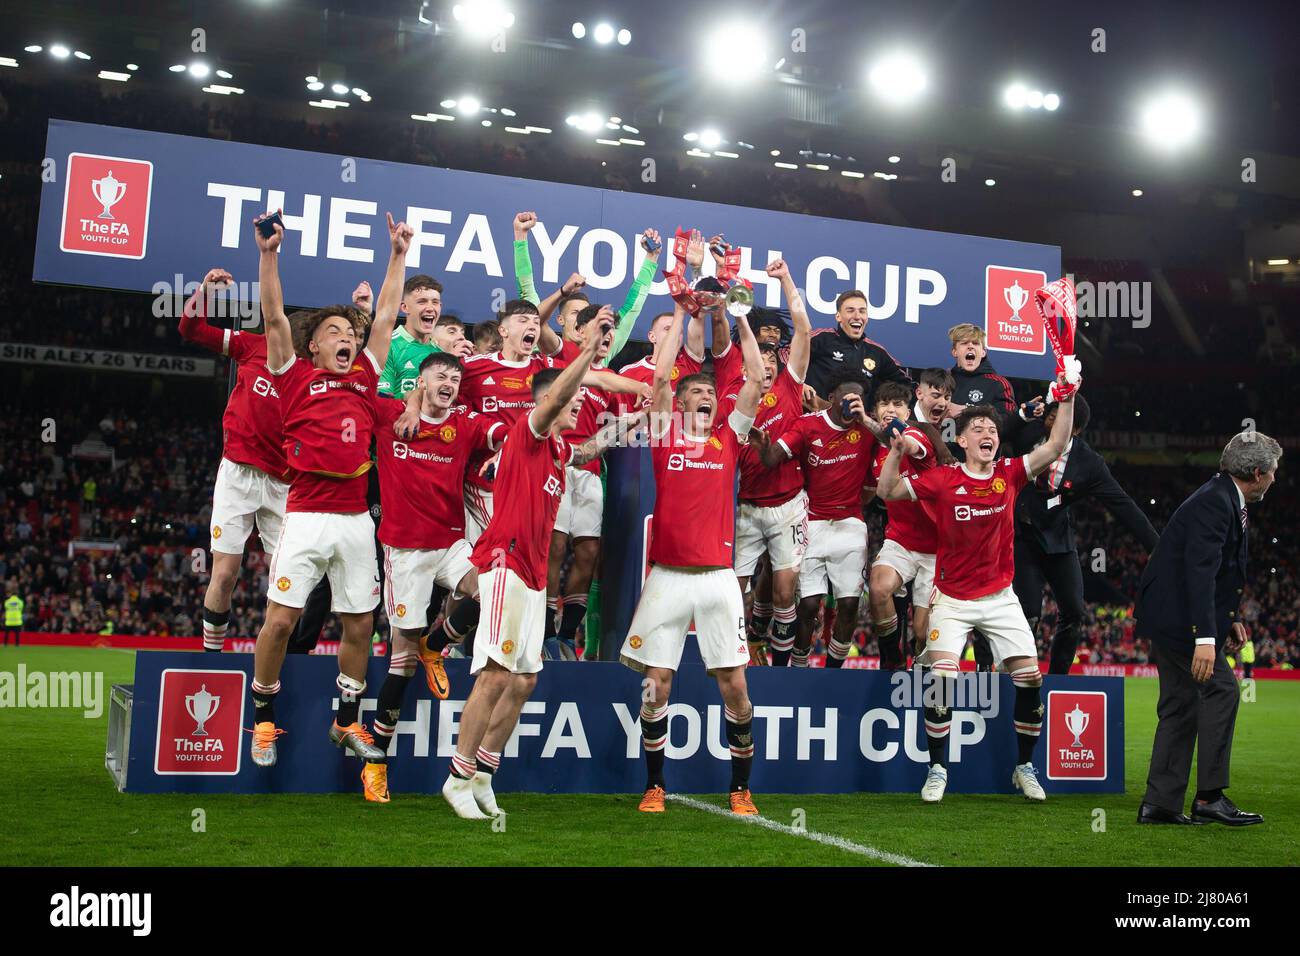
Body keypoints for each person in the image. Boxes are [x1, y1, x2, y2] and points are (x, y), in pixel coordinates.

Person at [442, 311, 638, 819]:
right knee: (493, 673)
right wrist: (590, 352)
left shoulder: (554, 450)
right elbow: (552, 398)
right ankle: (458, 777)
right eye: (573, 403)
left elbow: (587, 450)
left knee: (526, 678)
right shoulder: (528, 432)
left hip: (532, 576)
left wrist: (629, 426)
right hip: (505, 563)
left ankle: (485, 771)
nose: (579, 410)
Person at [245, 209, 410, 804]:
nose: (348, 338)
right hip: (307, 516)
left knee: (362, 623)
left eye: (351, 333)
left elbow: (387, 314)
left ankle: (345, 719)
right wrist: (268, 255)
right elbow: (271, 316)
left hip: (354, 522)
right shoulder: (291, 375)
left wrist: (397, 256)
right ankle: (262, 712)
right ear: (313, 343)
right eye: (336, 333)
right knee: (281, 622)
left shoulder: (366, 376)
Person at [876, 378, 1077, 805]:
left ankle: (1024, 767)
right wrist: (894, 455)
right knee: (941, 681)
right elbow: (887, 491)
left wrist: (1069, 396)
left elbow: (1056, 445)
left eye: (992, 429)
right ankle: (937, 768)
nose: (988, 434)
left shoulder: (1010, 473)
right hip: (951, 598)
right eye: (980, 429)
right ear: (963, 440)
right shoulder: (943, 480)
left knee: (1030, 678)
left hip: (1000, 598)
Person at [619, 295, 766, 816]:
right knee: (654, 686)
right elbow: (659, 381)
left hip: (718, 579)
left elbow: (754, 378)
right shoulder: (664, 435)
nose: (706, 395)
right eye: (697, 391)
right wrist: (681, 312)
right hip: (667, 578)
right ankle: (655, 785)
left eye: (710, 390)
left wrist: (741, 312)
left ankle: (740, 789)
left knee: (737, 688)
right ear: (682, 404)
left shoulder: (729, 436)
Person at [362, 352, 506, 802]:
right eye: (440, 375)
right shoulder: (389, 416)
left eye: (455, 377)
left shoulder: (464, 425)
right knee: (400, 658)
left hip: (449, 544)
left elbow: (506, 433)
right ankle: (375, 762)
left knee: (490, 586)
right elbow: (361, 390)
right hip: (404, 552)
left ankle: (437, 643)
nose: (449, 382)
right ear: (420, 381)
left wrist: (512, 444)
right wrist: (406, 403)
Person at [1136, 431, 1281, 826]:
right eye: (1273, 472)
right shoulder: (1216, 503)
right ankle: (1209, 798)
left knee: (1180, 706)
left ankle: (1161, 804)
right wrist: (1205, 636)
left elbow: (1215, 572)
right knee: (1222, 691)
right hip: (1181, 622)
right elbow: (1199, 573)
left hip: (1172, 617)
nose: (1274, 479)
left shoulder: (1220, 496)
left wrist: (1228, 619)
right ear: (1256, 472)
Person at [178, 268, 291, 653]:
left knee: (284, 580)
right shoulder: (249, 345)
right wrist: (205, 290)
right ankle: (212, 657)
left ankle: (270, 663)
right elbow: (190, 329)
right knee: (225, 574)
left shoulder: (307, 369)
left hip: (283, 483)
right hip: (238, 473)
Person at [1010, 395, 1159, 674]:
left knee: (1074, 612)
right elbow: (999, 429)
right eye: (1051, 414)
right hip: (1021, 536)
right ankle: (1017, 676)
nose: (1051, 421)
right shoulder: (1027, 434)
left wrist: (1158, 547)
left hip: (1058, 540)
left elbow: (1124, 506)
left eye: (1061, 418)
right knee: (1029, 612)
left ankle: (1057, 681)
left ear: (1075, 429)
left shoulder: (1089, 463)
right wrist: (1019, 414)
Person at [750, 377, 878, 668]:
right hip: (812, 523)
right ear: (831, 395)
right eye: (847, 395)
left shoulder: (866, 429)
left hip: (851, 523)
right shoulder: (808, 425)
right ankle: (798, 668)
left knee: (849, 605)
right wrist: (762, 448)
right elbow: (771, 459)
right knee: (808, 605)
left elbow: (893, 441)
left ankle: (833, 673)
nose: (852, 402)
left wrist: (865, 419)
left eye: (858, 398)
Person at [732, 259, 812, 666]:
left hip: (787, 505)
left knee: (784, 592)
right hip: (747, 506)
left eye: (771, 366)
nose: (765, 371)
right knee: (733, 590)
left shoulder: (791, 386)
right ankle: (739, 656)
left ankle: (780, 671)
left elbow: (802, 328)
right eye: (757, 367)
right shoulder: (735, 397)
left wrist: (784, 278)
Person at [865, 381, 949, 670]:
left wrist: (901, 443)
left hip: (936, 548)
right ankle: (892, 658)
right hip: (900, 540)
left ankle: (920, 664)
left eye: (897, 405)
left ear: (907, 411)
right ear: (875, 411)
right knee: (878, 589)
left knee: (924, 633)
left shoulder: (916, 437)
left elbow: (910, 444)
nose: (890, 409)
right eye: (884, 405)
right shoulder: (874, 448)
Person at [802, 289, 911, 407]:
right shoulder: (821, 338)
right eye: (850, 311)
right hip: (815, 418)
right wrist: (799, 384)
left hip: (856, 423)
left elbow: (906, 384)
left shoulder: (877, 352)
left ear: (867, 317)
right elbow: (786, 354)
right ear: (838, 316)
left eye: (862, 311)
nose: (857, 316)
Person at [944, 323, 1016, 423]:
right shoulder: (944, 379)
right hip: (942, 438)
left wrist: (965, 410)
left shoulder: (999, 384)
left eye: (975, 343)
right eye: (964, 343)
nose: (970, 347)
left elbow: (1009, 421)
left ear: (983, 352)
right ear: (954, 351)